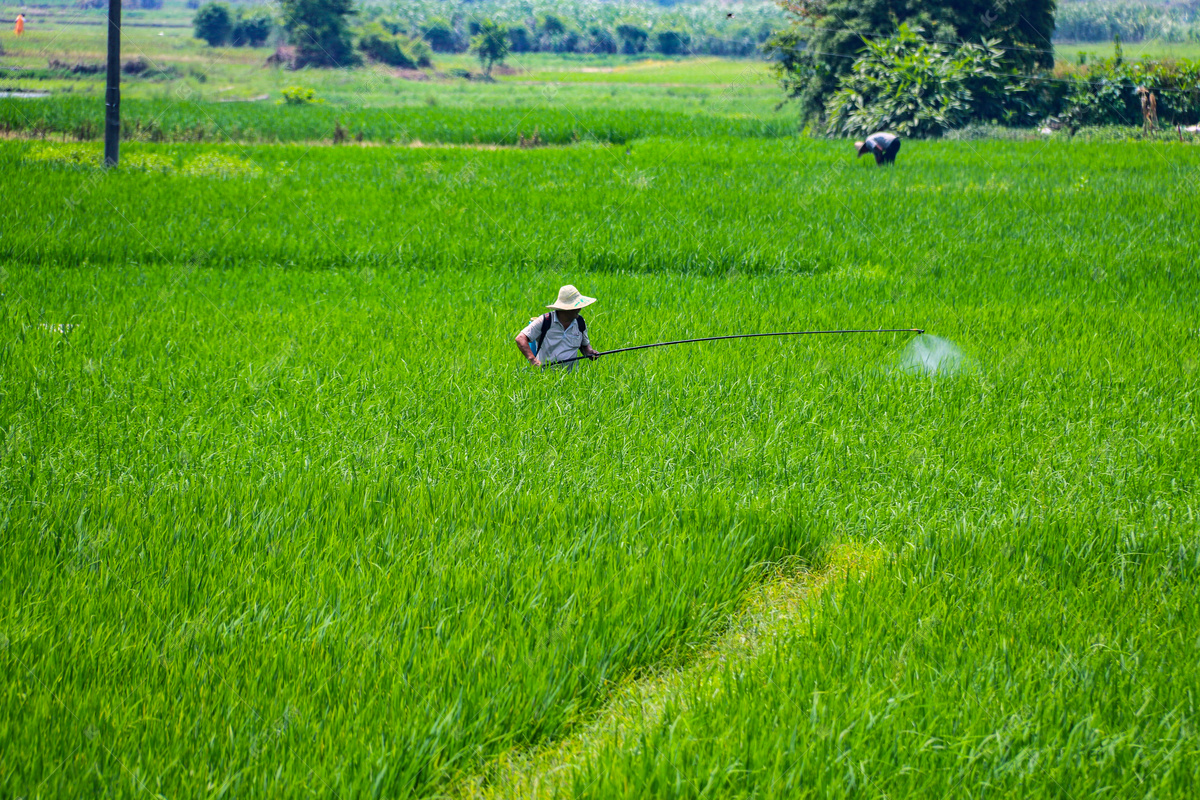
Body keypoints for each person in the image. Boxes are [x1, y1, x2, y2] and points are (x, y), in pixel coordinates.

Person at [515, 284, 600, 371]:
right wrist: (533, 360)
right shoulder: (545, 321)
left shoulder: (580, 322)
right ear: (566, 309)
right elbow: (520, 338)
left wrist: (590, 352)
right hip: (545, 376)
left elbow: (585, 346)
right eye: (576, 306)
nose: (580, 309)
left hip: (571, 378)